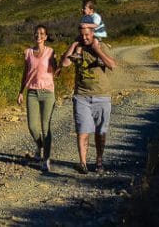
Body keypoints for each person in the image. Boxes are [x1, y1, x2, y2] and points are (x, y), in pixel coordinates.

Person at [60, 17, 116, 174]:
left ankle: (99, 161)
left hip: (102, 95)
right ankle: (83, 163)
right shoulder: (77, 48)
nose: (84, 38)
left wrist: (96, 49)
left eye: (87, 35)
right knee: (82, 130)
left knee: (100, 132)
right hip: (81, 96)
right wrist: (72, 45)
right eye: (82, 35)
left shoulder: (102, 46)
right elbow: (65, 63)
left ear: (93, 34)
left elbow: (112, 65)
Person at [17, 24, 57, 172]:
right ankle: (40, 145)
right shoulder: (28, 52)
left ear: (46, 37)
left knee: (45, 127)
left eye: (41, 33)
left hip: (47, 92)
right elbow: (25, 73)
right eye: (36, 33)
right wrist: (21, 92)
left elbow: (56, 71)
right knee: (33, 127)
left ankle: (46, 159)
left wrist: (57, 62)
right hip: (32, 92)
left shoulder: (51, 52)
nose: (38, 35)